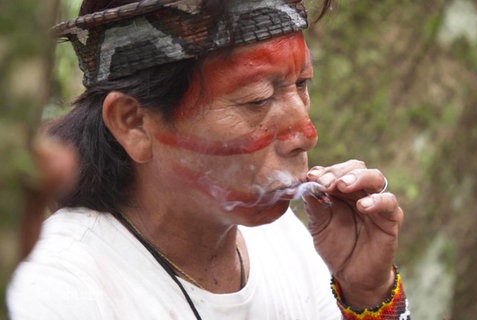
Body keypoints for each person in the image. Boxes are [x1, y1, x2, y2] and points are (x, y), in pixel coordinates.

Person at [7, 0, 410, 319]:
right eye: (257, 99)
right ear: (133, 123)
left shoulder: (286, 240)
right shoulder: (55, 291)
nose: (306, 134)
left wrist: (365, 293)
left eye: (302, 85)